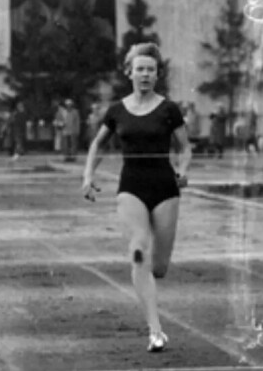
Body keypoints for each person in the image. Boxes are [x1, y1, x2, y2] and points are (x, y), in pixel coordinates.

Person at [81, 43, 191, 353]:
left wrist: (183, 170)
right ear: (129, 72)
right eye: (139, 69)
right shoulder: (116, 110)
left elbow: (185, 146)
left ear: (157, 74)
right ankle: (155, 330)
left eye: (150, 69)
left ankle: (153, 285)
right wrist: (88, 176)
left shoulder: (169, 109)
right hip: (131, 186)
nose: (145, 74)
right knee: (138, 252)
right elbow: (98, 145)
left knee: (159, 267)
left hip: (165, 187)